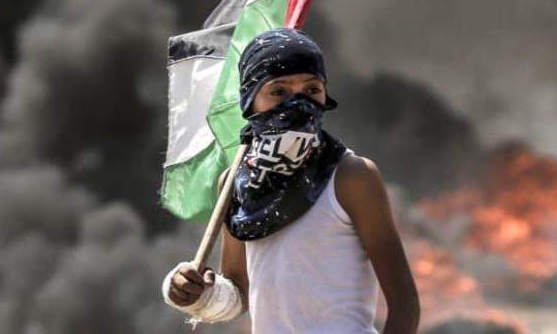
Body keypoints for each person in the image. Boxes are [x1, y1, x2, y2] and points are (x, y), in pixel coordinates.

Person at [162, 28, 420, 333]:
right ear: (249, 99)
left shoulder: (351, 176)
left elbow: (405, 305)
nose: (297, 104)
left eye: (312, 90)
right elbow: (239, 293)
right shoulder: (235, 183)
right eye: (278, 91)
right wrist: (194, 292)